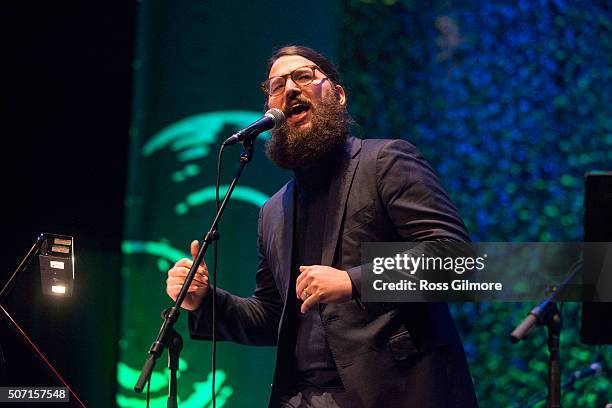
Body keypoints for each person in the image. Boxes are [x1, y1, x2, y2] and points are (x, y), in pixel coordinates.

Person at [166, 45, 478, 408]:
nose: (291, 90)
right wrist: (205, 300)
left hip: (395, 393)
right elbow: (272, 318)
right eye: (277, 85)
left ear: (339, 95)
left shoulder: (385, 161)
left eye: (304, 76)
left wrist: (352, 281)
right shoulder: (273, 211)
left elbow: (456, 258)